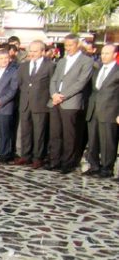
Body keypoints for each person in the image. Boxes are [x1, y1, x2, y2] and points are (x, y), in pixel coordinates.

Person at [46, 34, 95, 174]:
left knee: (69, 135)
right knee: (55, 133)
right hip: (55, 100)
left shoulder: (86, 61)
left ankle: (68, 163)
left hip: (71, 102)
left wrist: (63, 96)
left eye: (70, 45)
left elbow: (81, 82)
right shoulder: (62, 61)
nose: (68, 48)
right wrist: (54, 94)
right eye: (66, 45)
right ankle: (54, 160)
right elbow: (54, 79)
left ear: (77, 45)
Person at [15, 40, 54, 168]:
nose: (32, 53)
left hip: (40, 104)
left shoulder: (49, 66)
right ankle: (25, 156)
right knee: (25, 131)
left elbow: (52, 85)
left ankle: (38, 157)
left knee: (39, 132)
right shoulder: (24, 66)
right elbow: (20, 83)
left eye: (35, 51)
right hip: (25, 103)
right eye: (30, 51)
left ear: (42, 52)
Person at [84, 44, 119, 178]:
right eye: (102, 53)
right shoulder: (97, 69)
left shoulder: (117, 71)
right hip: (93, 110)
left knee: (107, 141)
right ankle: (94, 165)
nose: (103, 56)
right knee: (93, 140)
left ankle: (107, 167)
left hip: (109, 111)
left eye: (107, 53)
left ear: (115, 55)